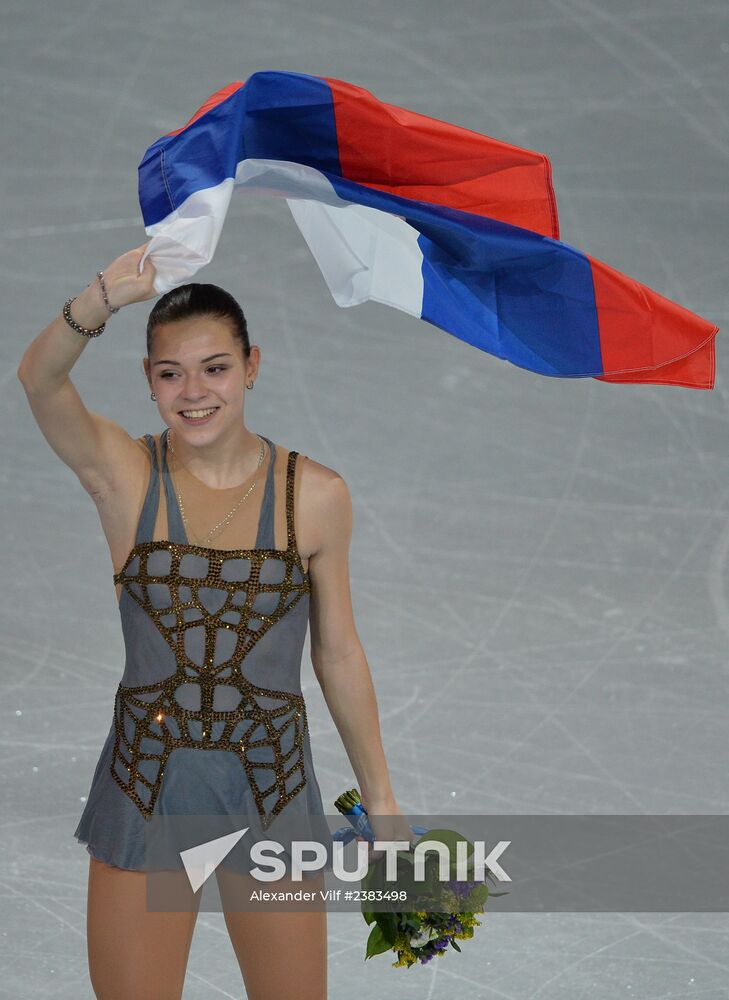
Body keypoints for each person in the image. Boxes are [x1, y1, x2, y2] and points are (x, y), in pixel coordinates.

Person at [17, 243, 412, 1000]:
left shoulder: (316, 495)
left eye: (215, 367)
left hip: (270, 790)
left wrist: (383, 804)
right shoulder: (123, 476)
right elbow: (39, 379)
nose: (193, 391)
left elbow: (336, 653)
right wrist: (102, 296)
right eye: (171, 373)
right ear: (149, 380)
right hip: (146, 790)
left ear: (252, 365)